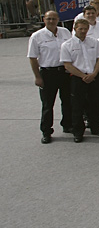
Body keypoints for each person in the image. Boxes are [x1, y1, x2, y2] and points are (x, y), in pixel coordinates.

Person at [28, 10, 73, 142]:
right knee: (48, 104)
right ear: (44, 20)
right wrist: (37, 77)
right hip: (48, 73)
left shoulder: (65, 32)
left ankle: (67, 124)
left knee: (67, 101)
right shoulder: (37, 36)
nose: (51, 21)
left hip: (64, 72)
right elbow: (32, 58)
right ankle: (46, 131)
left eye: (54, 19)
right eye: (49, 19)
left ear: (58, 19)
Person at [60, 18, 99, 142]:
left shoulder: (94, 42)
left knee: (95, 104)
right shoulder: (67, 45)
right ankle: (78, 132)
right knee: (77, 106)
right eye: (80, 29)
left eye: (85, 29)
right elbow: (67, 65)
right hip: (77, 78)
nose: (83, 31)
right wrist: (82, 76)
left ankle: (95, 128)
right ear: (75, 29)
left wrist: (94, 74)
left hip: (93, 76)